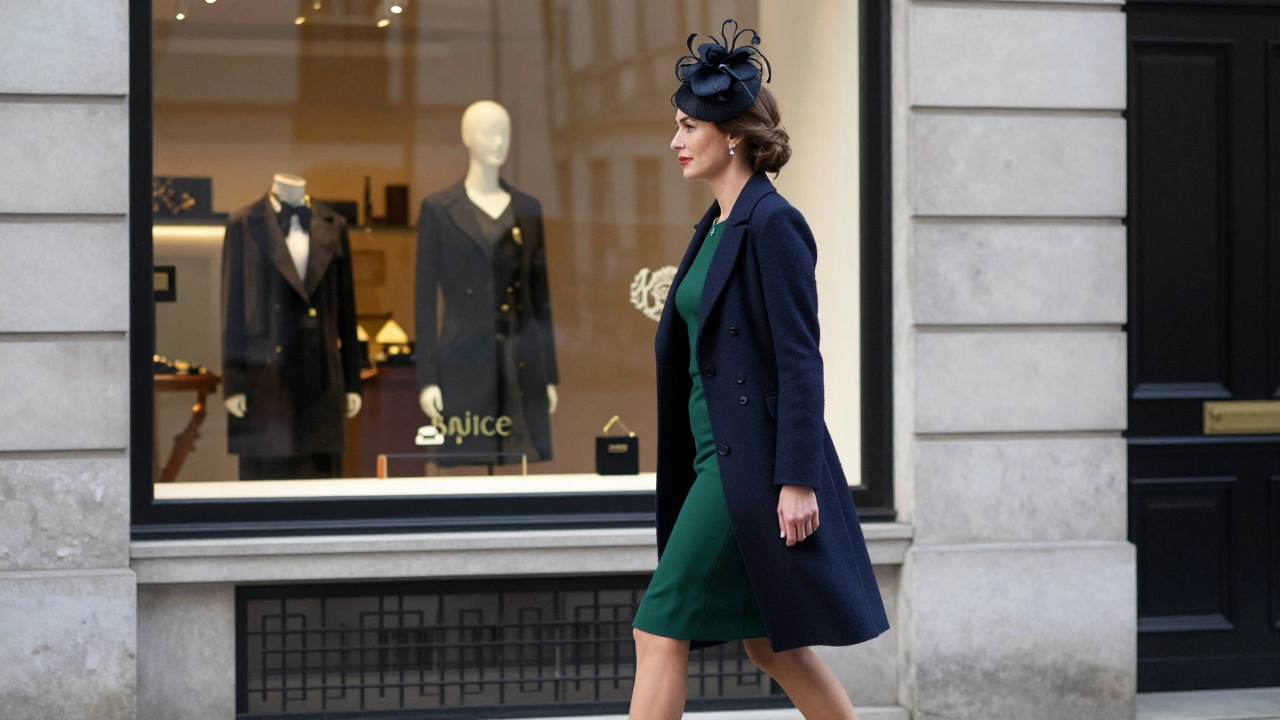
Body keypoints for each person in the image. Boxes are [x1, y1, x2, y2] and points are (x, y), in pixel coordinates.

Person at [629, 20, 889, 720]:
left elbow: (801, 358)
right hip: (711, 458)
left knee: (658, 627)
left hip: (745, 468)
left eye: (689, 125)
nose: (676, 141)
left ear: (732, 134)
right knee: (770, 646)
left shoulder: (774, 223)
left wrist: (797, 478)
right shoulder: (713, 227)